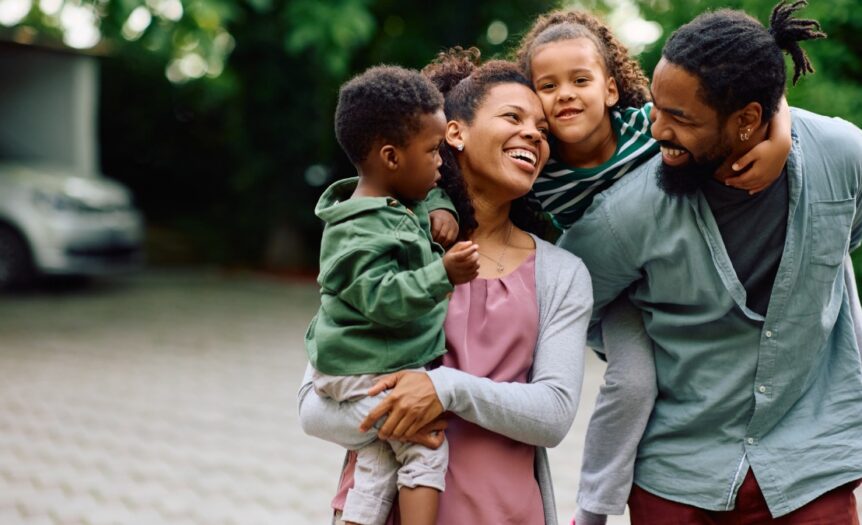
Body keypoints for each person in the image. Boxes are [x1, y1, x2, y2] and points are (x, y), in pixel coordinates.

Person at [560, 1, 862, 523]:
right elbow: (565, 299)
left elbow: (846, 235)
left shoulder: (841, 155)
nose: (656, 131)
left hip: (811, 469)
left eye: (679, 118)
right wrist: (637, 338)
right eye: (657, 108)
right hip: (677, 475)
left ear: (747, 120)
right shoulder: (630, 212)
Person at [513, 9, 793, 525]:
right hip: (620, 298)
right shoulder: (537, 164)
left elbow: (750, 93)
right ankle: (593, 509)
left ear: (612, 89)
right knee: (634, 380)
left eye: (581, 79)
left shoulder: (647, 126)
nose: (566, 94)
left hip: (684, 271)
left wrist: (780, 137)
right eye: (546, 85)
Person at [299, 48, 594, 524]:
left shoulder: (561, 274)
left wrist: (443, 389)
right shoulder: (391, 241)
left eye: (542, 131)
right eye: (513, 117)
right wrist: (395, 419)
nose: (533, 135)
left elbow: (554, 414)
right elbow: (312, 405)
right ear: (454, 132)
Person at [304, 65, 482, 525]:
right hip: (356, 367)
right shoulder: (355, 234)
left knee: (379, 462)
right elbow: (382, 299)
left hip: (368, 361)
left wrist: (441, 206)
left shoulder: (398, 198)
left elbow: (423, 198)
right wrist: (441, 273)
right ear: (390, 157)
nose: (441, 163)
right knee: (423, 446)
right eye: (432, 151)